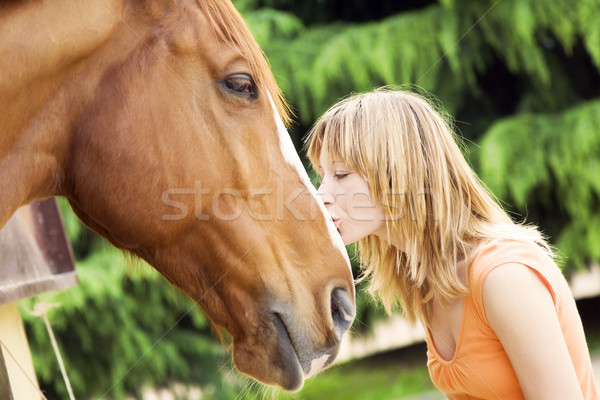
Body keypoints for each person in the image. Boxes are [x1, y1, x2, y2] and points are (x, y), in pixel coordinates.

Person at [305, 87, 599, 399]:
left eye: (340, 174)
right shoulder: (428, 279)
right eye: (323, 175)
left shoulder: (502, 275)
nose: (321, 195)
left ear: (397, 172)